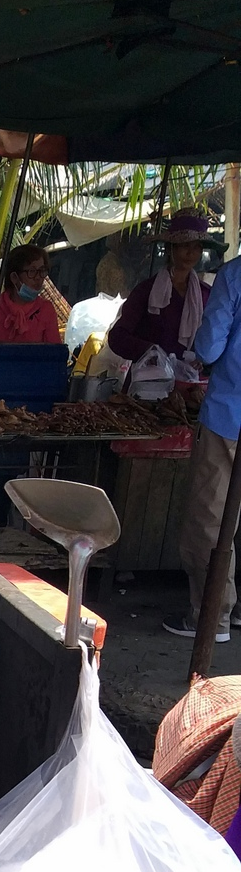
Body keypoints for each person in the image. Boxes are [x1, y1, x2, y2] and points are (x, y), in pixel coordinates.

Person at [163, 248, 241, 642]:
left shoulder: (234, 275)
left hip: (230, 415)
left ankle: (211, 617)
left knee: (211, 519)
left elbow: (209, 346)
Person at [108, 211, 215, 363]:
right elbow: (117, 337)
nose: (191, 253)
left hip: (190, 376)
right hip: (151, 375)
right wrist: (150, 352)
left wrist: (202, 361)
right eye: (185, 245)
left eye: (197, 247)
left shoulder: (206, 295)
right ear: (170, 248)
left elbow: (213, 339)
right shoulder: (146, 291)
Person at [0, 246, 62, 344]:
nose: (38, 277)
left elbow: (54, 350)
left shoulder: (46, 309)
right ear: (14, 277)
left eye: (42, 271)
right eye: (32, 271)